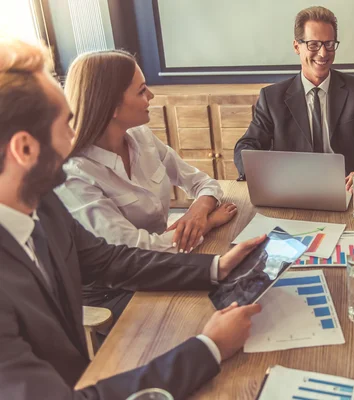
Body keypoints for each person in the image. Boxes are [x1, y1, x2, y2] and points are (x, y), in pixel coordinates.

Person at [0, 37, 265, 399]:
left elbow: (111, 259)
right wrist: (209, 348)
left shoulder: (42, 206)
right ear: (25, 149)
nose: (73, 136)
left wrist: (216, 266)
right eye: (66, 123)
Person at [55, 50, 238, 319]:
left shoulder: (141, 137)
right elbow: (135, 252)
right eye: (141, 91)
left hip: (164, 262)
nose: (151, 96)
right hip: (113, 291)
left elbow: (203, 182)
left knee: (234, 292)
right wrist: (208, 225)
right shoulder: (76, 175)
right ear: (112, 106)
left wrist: (198, 211)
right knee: (204, 314)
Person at [233, 6, 354, 188]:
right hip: (292, 188)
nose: (323, 53)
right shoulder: (271, 97)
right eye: (313, 44)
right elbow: (246, 146)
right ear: (297, 46)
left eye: (329, 44)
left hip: (348, 187)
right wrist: (267, 177)